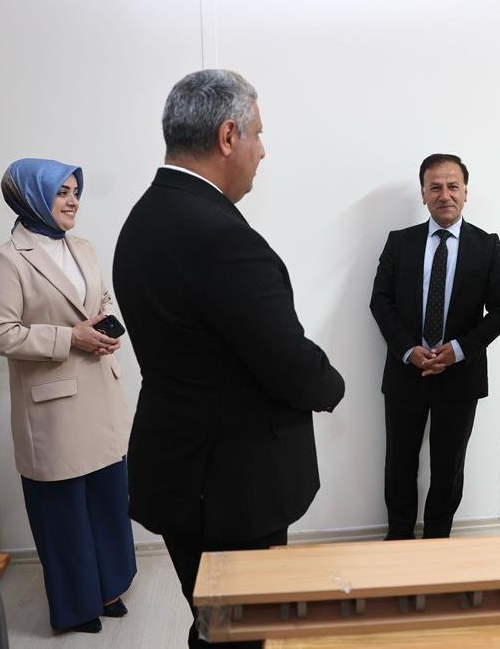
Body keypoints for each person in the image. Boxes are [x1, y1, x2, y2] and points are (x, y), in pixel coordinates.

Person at [112, 69, 345, 648]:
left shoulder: (144, 218)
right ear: (227, 136)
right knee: (243, 632)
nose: (262, 151)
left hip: (180, 468)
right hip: (231, 487)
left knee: (215, 623)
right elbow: (287, 363)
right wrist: (332, 385)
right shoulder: (220, 237)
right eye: (258, 134)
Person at [0, 158, 136, 634]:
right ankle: (77, 607)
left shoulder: (83, 247)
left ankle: (110, 590)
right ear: (31, 197)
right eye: (61, 193)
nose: (73, 202)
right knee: (64, 510)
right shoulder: (6, 258)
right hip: (53, 406)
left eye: (75, 192)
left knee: (108, 499)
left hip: (100, 393)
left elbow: (100, 300)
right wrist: (70, 338)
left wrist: (103, 329)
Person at [370, 154, 500, 540]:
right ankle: (399, 538)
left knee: (449, 467)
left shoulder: (487, 246)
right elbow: (380, 302)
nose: (444, 195)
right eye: (435, 187)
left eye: (453, 186)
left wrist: (459, 350)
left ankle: (437, 541)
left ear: (466, 192)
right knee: (399, 463)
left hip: (460, 375)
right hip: (406, 372)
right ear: (423, 194)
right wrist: (408, 350)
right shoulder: (400, 243)